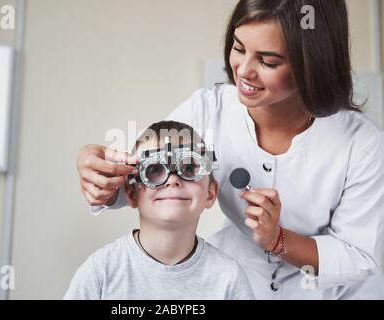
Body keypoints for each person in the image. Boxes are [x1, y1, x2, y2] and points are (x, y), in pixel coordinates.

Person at [76, 0, 384, 299]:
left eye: (268, 61)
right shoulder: (209, 109)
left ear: (313, 63)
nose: (244, 70)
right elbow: (143, 178)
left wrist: (278, 240)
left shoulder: (362, 143)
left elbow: (356, 259)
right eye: (238, 48)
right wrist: (98, 170)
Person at [65, 121, 254, 299]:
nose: (172, 180)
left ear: (210, 194)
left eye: (189, 168)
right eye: (154, 169)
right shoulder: (101, 271)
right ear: (131, 194)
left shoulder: (228, 277)